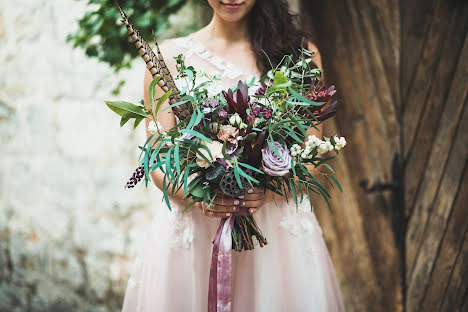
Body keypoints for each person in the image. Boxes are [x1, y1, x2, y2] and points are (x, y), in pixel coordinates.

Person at [122, 0, 345, 311]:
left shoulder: (299, 55)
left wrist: (269, 191)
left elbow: (312, 149)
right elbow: (158, 159)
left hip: (274, 234)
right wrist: (199, 195)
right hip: (197, 231)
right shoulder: (169, 60)